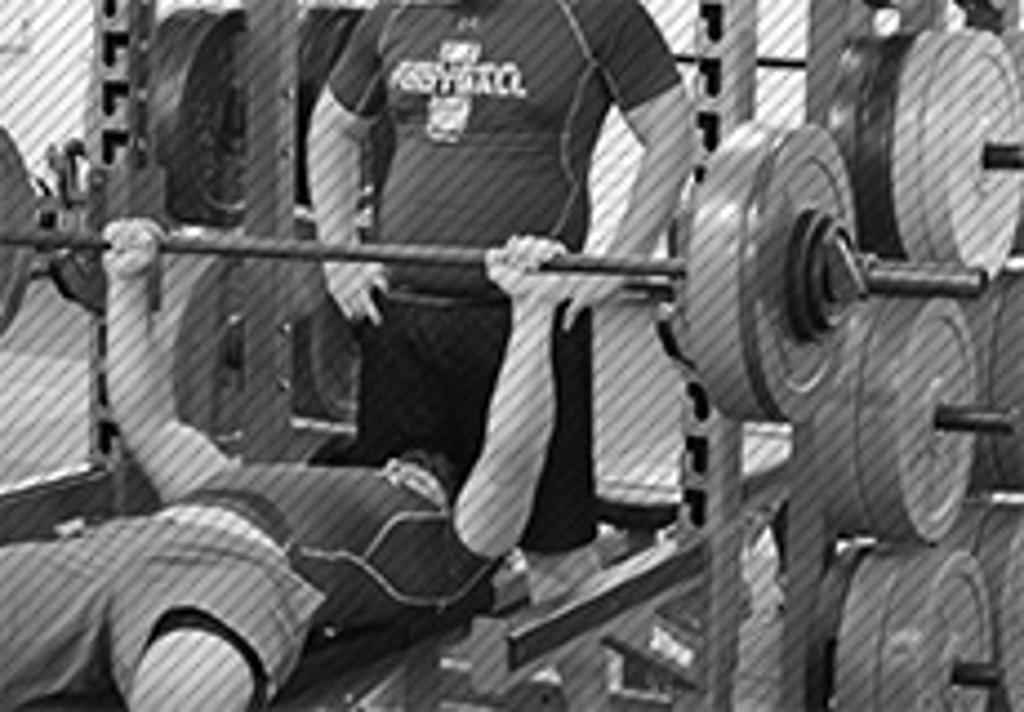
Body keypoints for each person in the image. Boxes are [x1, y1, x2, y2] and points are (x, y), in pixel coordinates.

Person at [0, 219, 571, 711]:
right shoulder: (222, 482)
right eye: (400, 466)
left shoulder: (453, 552)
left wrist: (533, 312)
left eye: (422, 478)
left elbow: (511, 458)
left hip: (235, 583)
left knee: (184, 696)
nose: (402, 467)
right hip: (112, 549)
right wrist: (126, 283)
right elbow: (148, 421)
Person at [308, 3, 692, 705]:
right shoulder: (396, 14)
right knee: (394, 548)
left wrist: (622, 262)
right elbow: (333, 125)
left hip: (527, 326)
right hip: (405, 328)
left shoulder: (593, 13)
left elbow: (671, 129)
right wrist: (338, 257)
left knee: (559, 562)